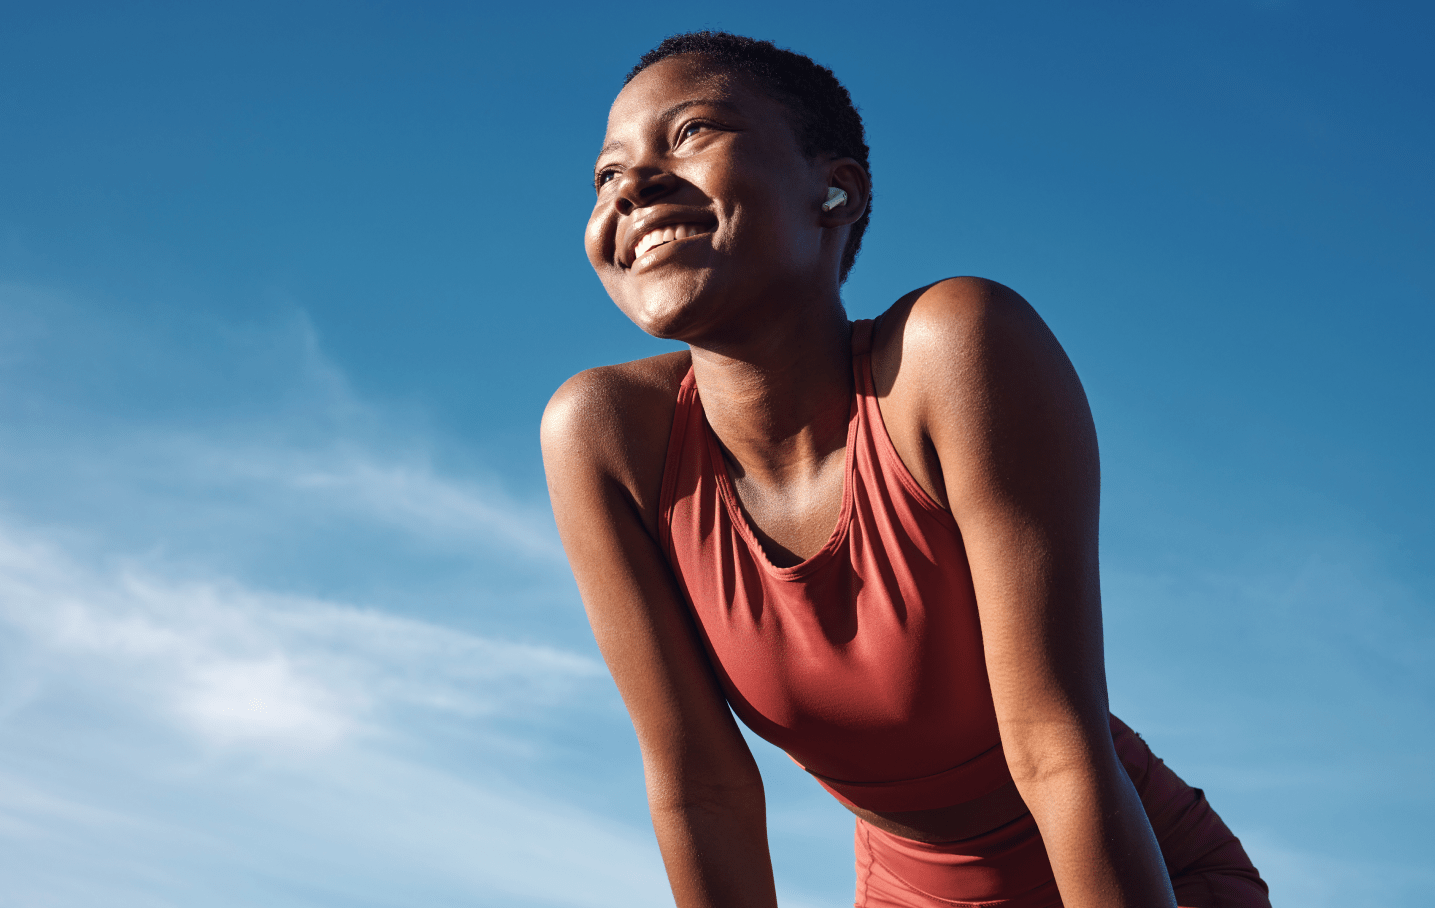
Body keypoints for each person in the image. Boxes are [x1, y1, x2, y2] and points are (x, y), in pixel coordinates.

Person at [541, 31, 1270, 908]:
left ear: (836, 190)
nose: (632, 185)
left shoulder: (953, 350)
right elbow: (702, 786)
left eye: (691, 132)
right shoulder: (606, 436)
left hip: (1134, 872)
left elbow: (1054, 746)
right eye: (605, 175)